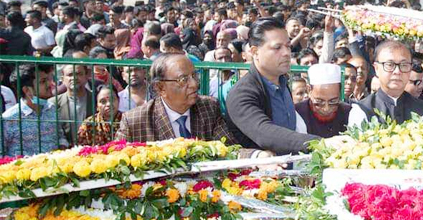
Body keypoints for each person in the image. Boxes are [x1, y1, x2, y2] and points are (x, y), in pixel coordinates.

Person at [115, 54, 254, 157]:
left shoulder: (208, 107)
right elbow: (116, 162)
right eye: (183, 79)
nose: (194, 84)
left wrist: (256, 156)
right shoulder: (135, 121)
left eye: (195, 76)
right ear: (160, 88)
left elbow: (229, 149)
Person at [225, 18, 322, 154]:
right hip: (257, 173)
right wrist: (319, 143)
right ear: (255, 52)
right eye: (277, 48)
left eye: (288, 46)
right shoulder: (242, 93)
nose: (286, 53)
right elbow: (265, 133)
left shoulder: (283, 83)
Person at [355, 40, 423, 124]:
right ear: (376, 68)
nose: (397, 71)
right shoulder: (362, 110)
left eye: (404, 65)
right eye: (390, 65)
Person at [2, 64, 67, 156]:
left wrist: (63, 148)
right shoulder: (9, 119)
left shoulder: (51, 108)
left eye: (48, 80)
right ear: (27, 90)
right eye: (43, 81)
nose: (49, 84)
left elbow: (60, 136)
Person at [296, 63, 368, 138]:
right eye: (319, 102)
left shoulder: (352, 113)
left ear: (340, 92)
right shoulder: (297, 114)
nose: (326, 109)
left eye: (332, 102)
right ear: (309, 90)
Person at [49, 64, 95, 146]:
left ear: (86, 76)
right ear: (62, 79)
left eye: (79, 74)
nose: (74, 78)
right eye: (70, 75)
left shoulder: (96, 99)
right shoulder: (53, 103)